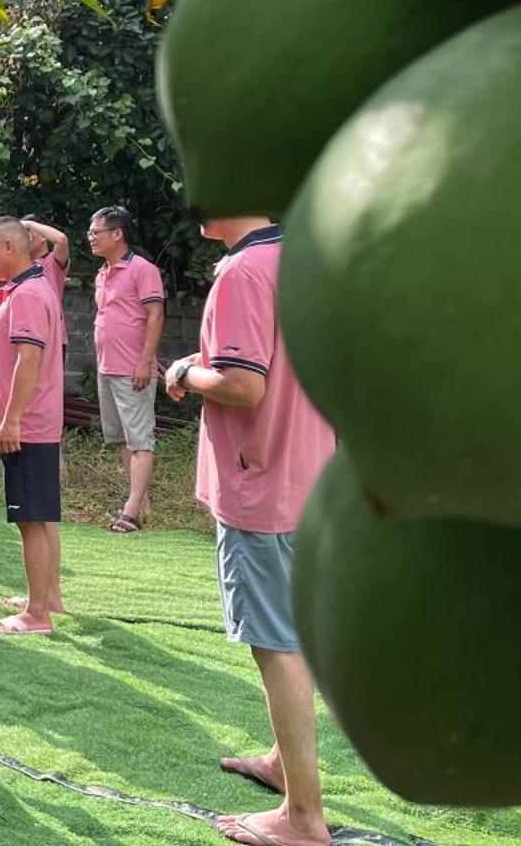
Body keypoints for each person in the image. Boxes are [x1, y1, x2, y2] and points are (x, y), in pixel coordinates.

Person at [165, 219, 334, 846]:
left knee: (276, 644)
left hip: (262, 486)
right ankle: (280, 762)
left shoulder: (243, 271)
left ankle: (302, 817)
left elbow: (243, 383)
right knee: (295, 631)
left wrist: (184, 372)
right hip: (308, 473)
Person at [0, 215, 66, 636]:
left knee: (30, 519)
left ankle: (37, 615)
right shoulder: (27, 289)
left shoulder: (29, 294)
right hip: (33, 423)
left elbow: (29, 360)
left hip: (27, 425)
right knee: (39, 517)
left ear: (9, 248)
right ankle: (45, 597)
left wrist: (11, 419)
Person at [88, 206, 166, 534]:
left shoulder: (142, 269)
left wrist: (145, 361)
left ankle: (131, 511)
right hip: (107, 367)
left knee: (140, 440)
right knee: (121, 438)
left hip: (132, 368)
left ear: (117, 234)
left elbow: (155, 315)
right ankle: (142, 501)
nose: (91, 238)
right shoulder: (103, 272)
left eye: (97, 233)